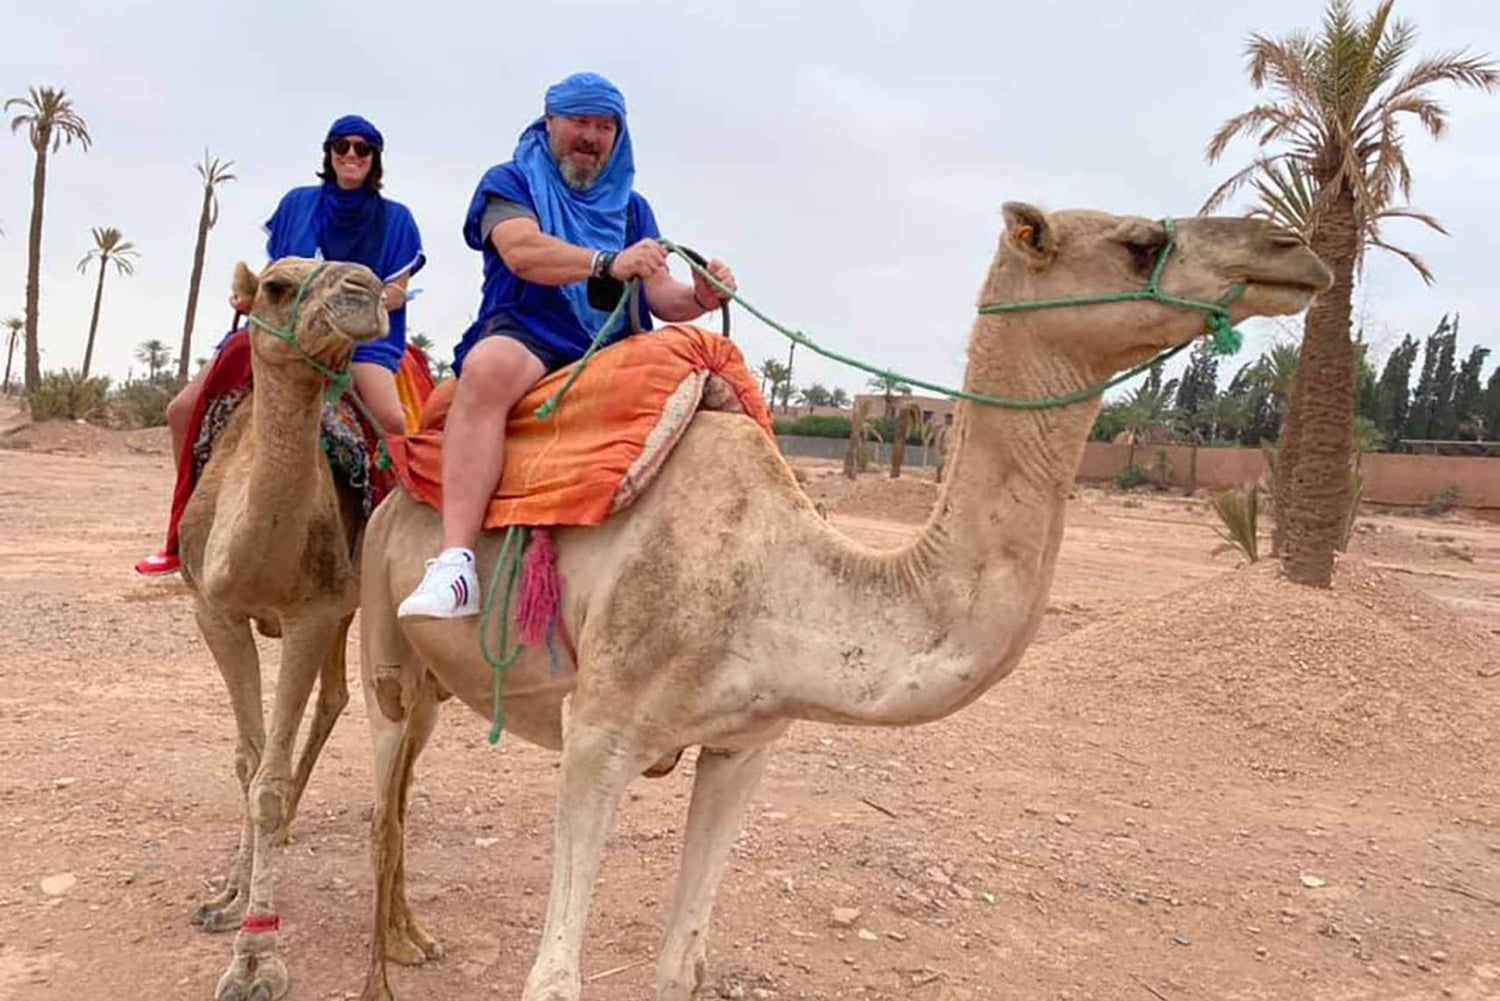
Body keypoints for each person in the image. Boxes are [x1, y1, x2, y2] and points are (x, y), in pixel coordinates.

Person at [396, 71, 736, 619]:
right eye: (581, 122)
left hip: (613, 345)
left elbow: (662, 297)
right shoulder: (509, 183)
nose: (592, 137)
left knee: (704, 389)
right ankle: (456, 562)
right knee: (485, 371)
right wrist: (605, 262)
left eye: (605, 127)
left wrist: (700, 294)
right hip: (531, 329)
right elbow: (523, 252)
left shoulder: (632, 208)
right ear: (550, 121)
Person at [135, 114, 425, 575]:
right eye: (341, 147)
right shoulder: (298, 204)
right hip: (285, 331)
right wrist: (252, 298)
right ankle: (187, 532)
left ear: (375, 159)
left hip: (357, 340)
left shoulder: (397, 219)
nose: (351, 156)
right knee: (182, 410)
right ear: (328, 155)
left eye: (362, 149)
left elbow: (395, 290)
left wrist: (351, 306)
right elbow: (278, 276)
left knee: (392, 419)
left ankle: (394, 549)